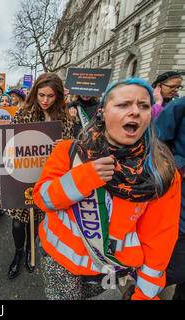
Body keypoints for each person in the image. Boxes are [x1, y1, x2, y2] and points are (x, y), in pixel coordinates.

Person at [33, 78, 181, 300]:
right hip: (59, 264)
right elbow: (43, 198)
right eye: (123, 104)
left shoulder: (162, 172)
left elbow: (159, 241)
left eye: (144, 106)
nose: (135, 112)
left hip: (110, 272)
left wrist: (145, 294)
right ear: (102, 112)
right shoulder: (69, 151)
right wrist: (84, 177)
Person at [4, 72, 74, 280]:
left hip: (48, 179)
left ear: (58, 96)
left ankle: (30, 250)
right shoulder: (22, 113)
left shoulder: (65, 119)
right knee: (18, 222)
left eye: (50, 96)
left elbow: (73, 152)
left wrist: (66, 146)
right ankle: (18, 253)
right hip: (22, 176)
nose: (45, 100)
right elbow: (10, 145)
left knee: (37, 220)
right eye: (41, 95)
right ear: (35, 93)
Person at [155, 97, 185, 300]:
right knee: (174, 270)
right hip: (179, 199)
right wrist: (178, 166)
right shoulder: (179, 107)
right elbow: (156, 143)